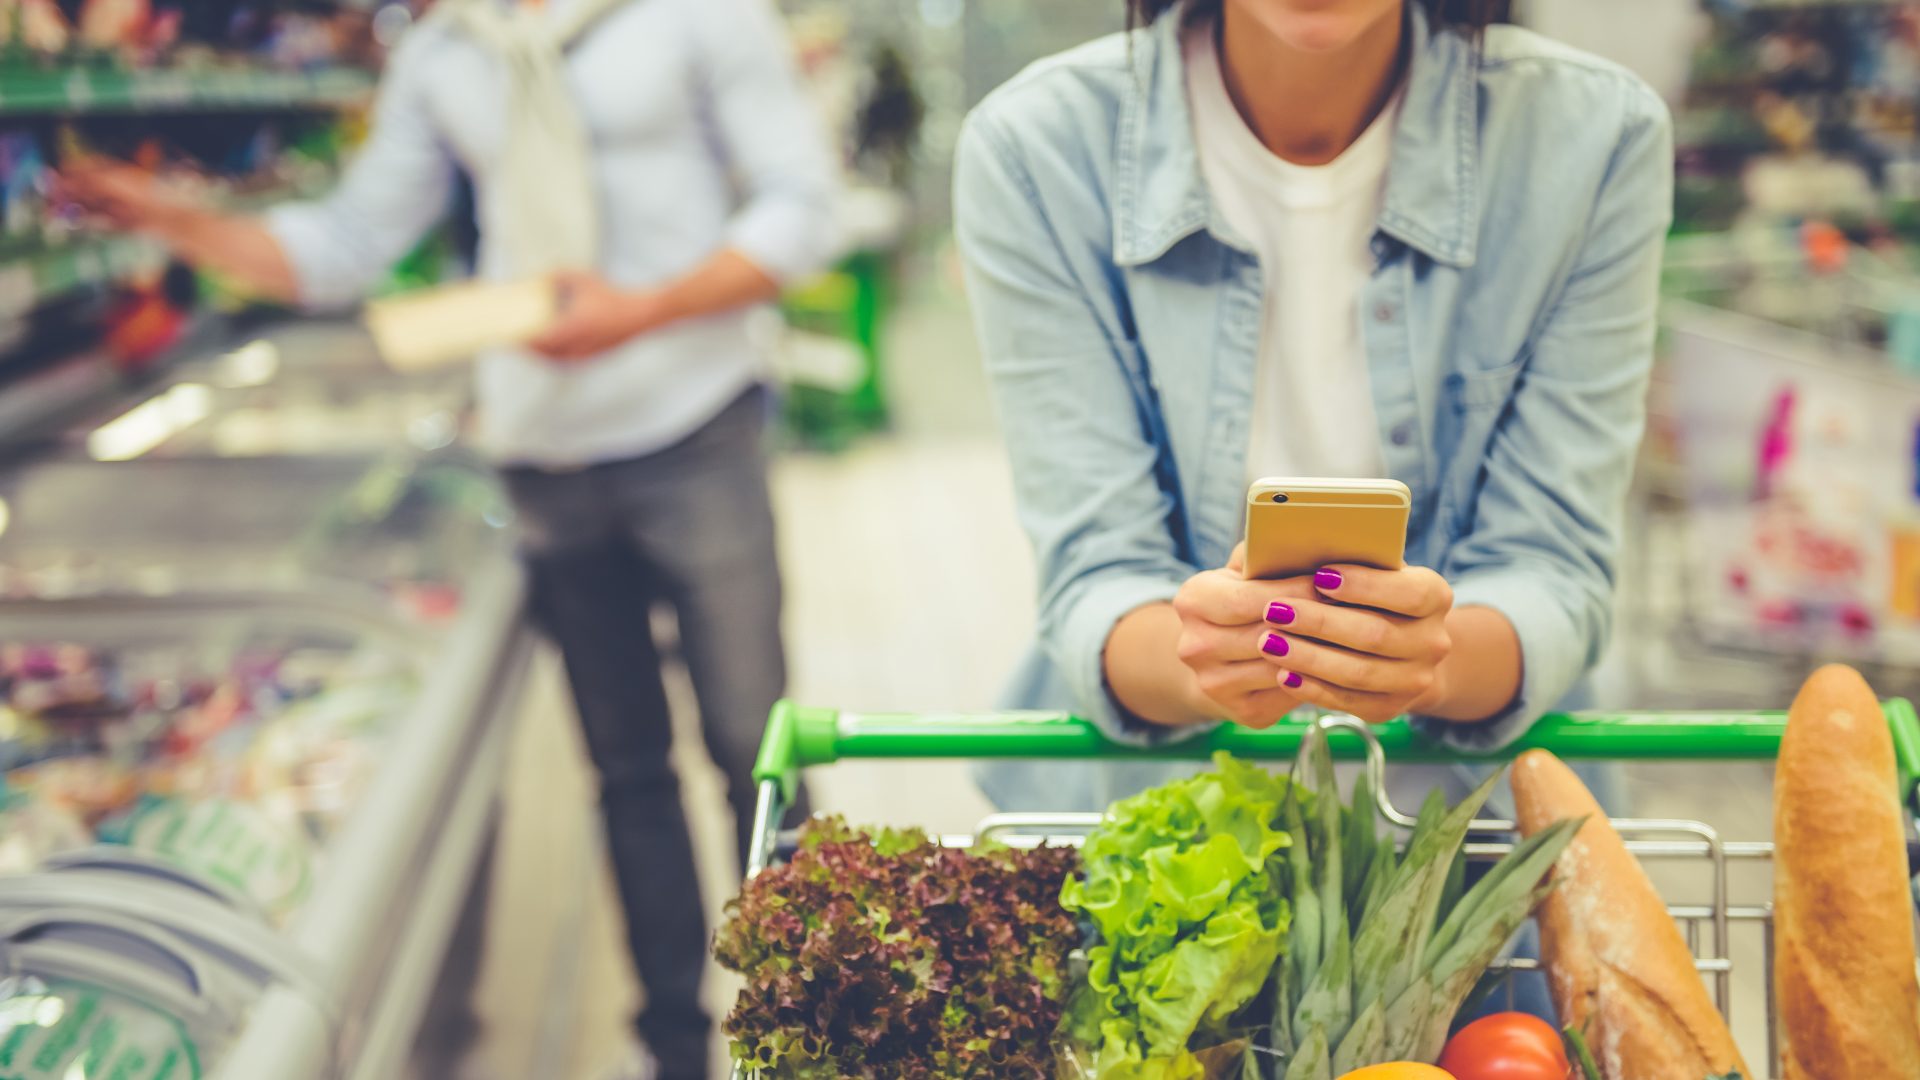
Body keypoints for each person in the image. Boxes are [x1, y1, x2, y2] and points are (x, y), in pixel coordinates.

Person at [64, 0, 839, 1075]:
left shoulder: (695, 16)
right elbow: (347, 246)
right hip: (543, 455)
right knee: (625, 774)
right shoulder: (445, 52)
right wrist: (175, 215)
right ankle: (675, 1048)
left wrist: (643, 310)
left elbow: (806, 211)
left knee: (761, 752)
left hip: (694, 422)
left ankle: (814, 1030)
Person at [953, 0, 1672, 811]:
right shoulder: (1035, 149)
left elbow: (1554, 564)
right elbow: (1096, 574)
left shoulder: (1596, 137)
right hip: (1155, 827)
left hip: (1481, 841)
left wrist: (1428, 660)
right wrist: (1204, 657)